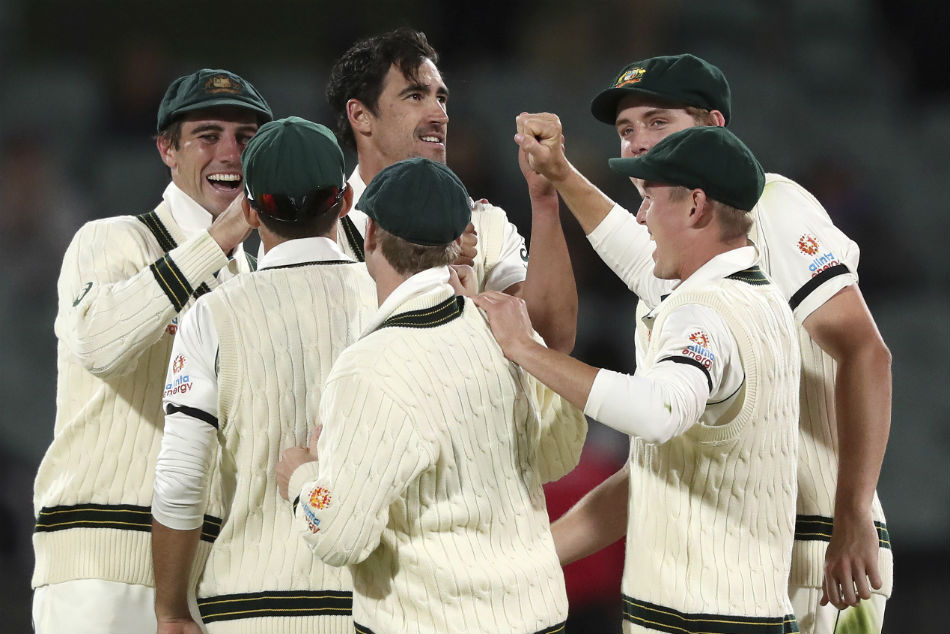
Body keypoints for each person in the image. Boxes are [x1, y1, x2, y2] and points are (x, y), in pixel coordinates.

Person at [516, 53, 892, 634]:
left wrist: (854, 513)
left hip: (819, 549)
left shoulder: (770, 205)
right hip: (737, 558)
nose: (639, 142)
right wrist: (560, 177)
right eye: (626, 129)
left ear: (714, 126)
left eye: (658, 122)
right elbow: (639, 255)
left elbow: (865, 351)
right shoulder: (683, 276)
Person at [477, 126, 802, 634]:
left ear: (695, 206)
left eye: (649, 199)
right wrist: (525, 562)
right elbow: (650, 481)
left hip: (702, 621)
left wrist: (524, 348)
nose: (640, 217)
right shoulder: (762, 299)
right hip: (742, 613)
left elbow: (656, 413)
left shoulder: (702, 311)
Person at [276, 157, 588, 634]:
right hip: (538, 616)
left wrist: (302, 479)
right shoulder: (507, 329)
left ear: (371, 234)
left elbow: (339, 538)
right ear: (458, 242)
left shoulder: (368, 368)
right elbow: (559, 454)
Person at [31, 68, 272, 633]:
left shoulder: (254, 278)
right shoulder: (113, 239)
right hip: (102, 569)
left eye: (246, 138)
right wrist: (219, 239)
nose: (230, 153)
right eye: (208, 136)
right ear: (167, 149)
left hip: (209, 579)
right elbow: (99, 345)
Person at [150, 116, 376, 633]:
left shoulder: (209, 315)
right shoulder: (391, 303)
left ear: (249, 211)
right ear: (345, 201)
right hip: (375, 606)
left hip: (246, 609)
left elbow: (181, 480)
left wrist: (171, 611)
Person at [325, 27, 577, 353]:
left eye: (441, 98)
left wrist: (543, 200)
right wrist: (430, 266)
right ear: (361, 116)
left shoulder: (485, 224)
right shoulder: (320, 227)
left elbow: (551, 341)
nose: (440, 116)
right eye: (415, 96)